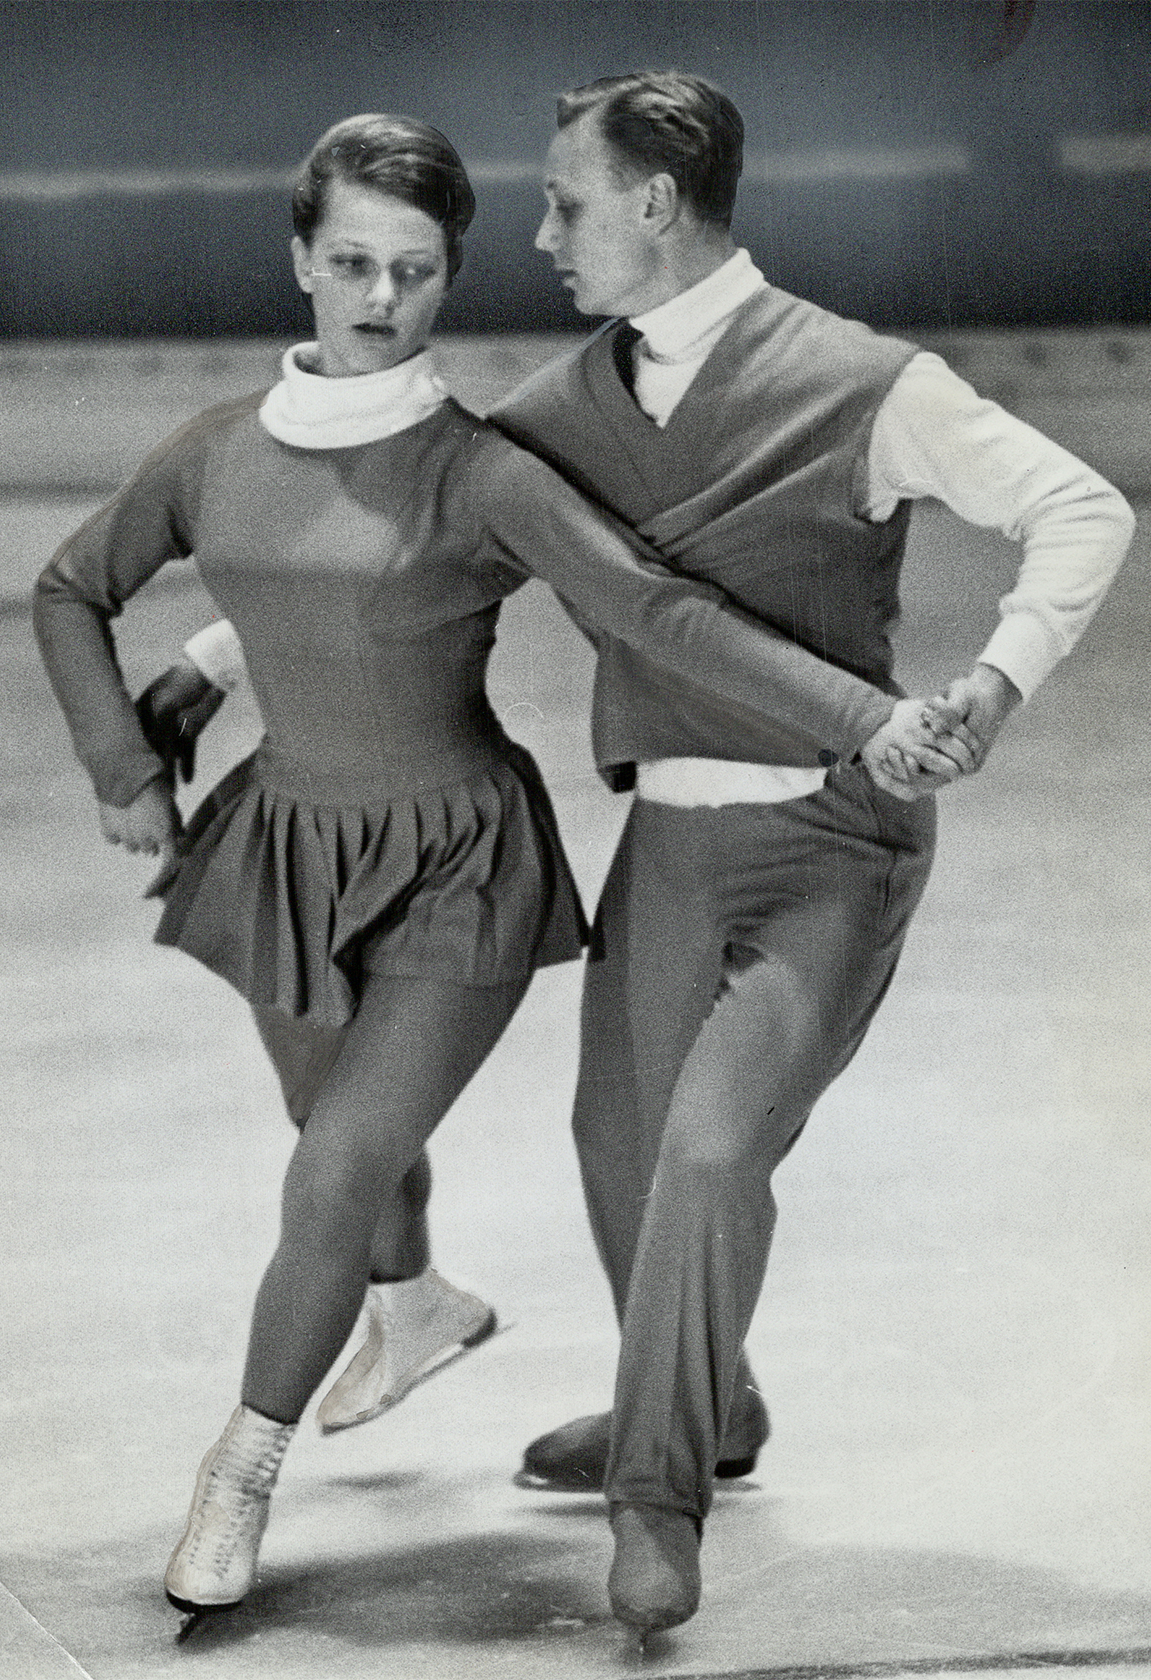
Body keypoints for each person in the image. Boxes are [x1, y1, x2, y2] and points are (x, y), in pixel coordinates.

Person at [159, 73, 1134, 1640]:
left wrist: (997, 680)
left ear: (655, 205)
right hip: (667, 844)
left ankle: (658, 1494)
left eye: (563, 201)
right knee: (617, 1147)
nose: (537, 233)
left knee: (705, 1153)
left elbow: (1082, 508)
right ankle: (703, 1398)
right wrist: (213, 655)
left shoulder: (871, 383)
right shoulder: (570, 408)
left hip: (836, 840)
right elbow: (420, 537)